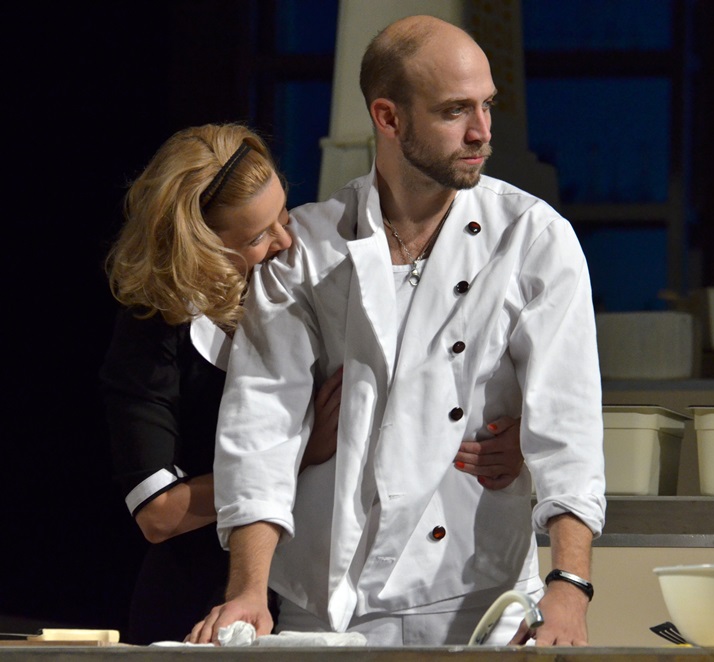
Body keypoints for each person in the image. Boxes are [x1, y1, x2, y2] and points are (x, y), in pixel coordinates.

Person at [188, 15, 605, 647]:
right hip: (328, 603)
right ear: (388, 117)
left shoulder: (533, 238)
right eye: (455, 111)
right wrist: (248, 588)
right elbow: (261, 425)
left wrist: (569, 586)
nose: (482, 132)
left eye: (487, 106)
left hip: (480, 601)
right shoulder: (307, 249)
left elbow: (567, 428)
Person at [100, 123, 523, 644]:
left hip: (308, 595)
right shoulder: (152, 334)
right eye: (257, 237)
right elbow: (159, 514)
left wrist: (511, 436)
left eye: (283, 215)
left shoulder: (312, 283)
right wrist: (298, 452)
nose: (286, 241)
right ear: (199, 249)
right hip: (198, 601)